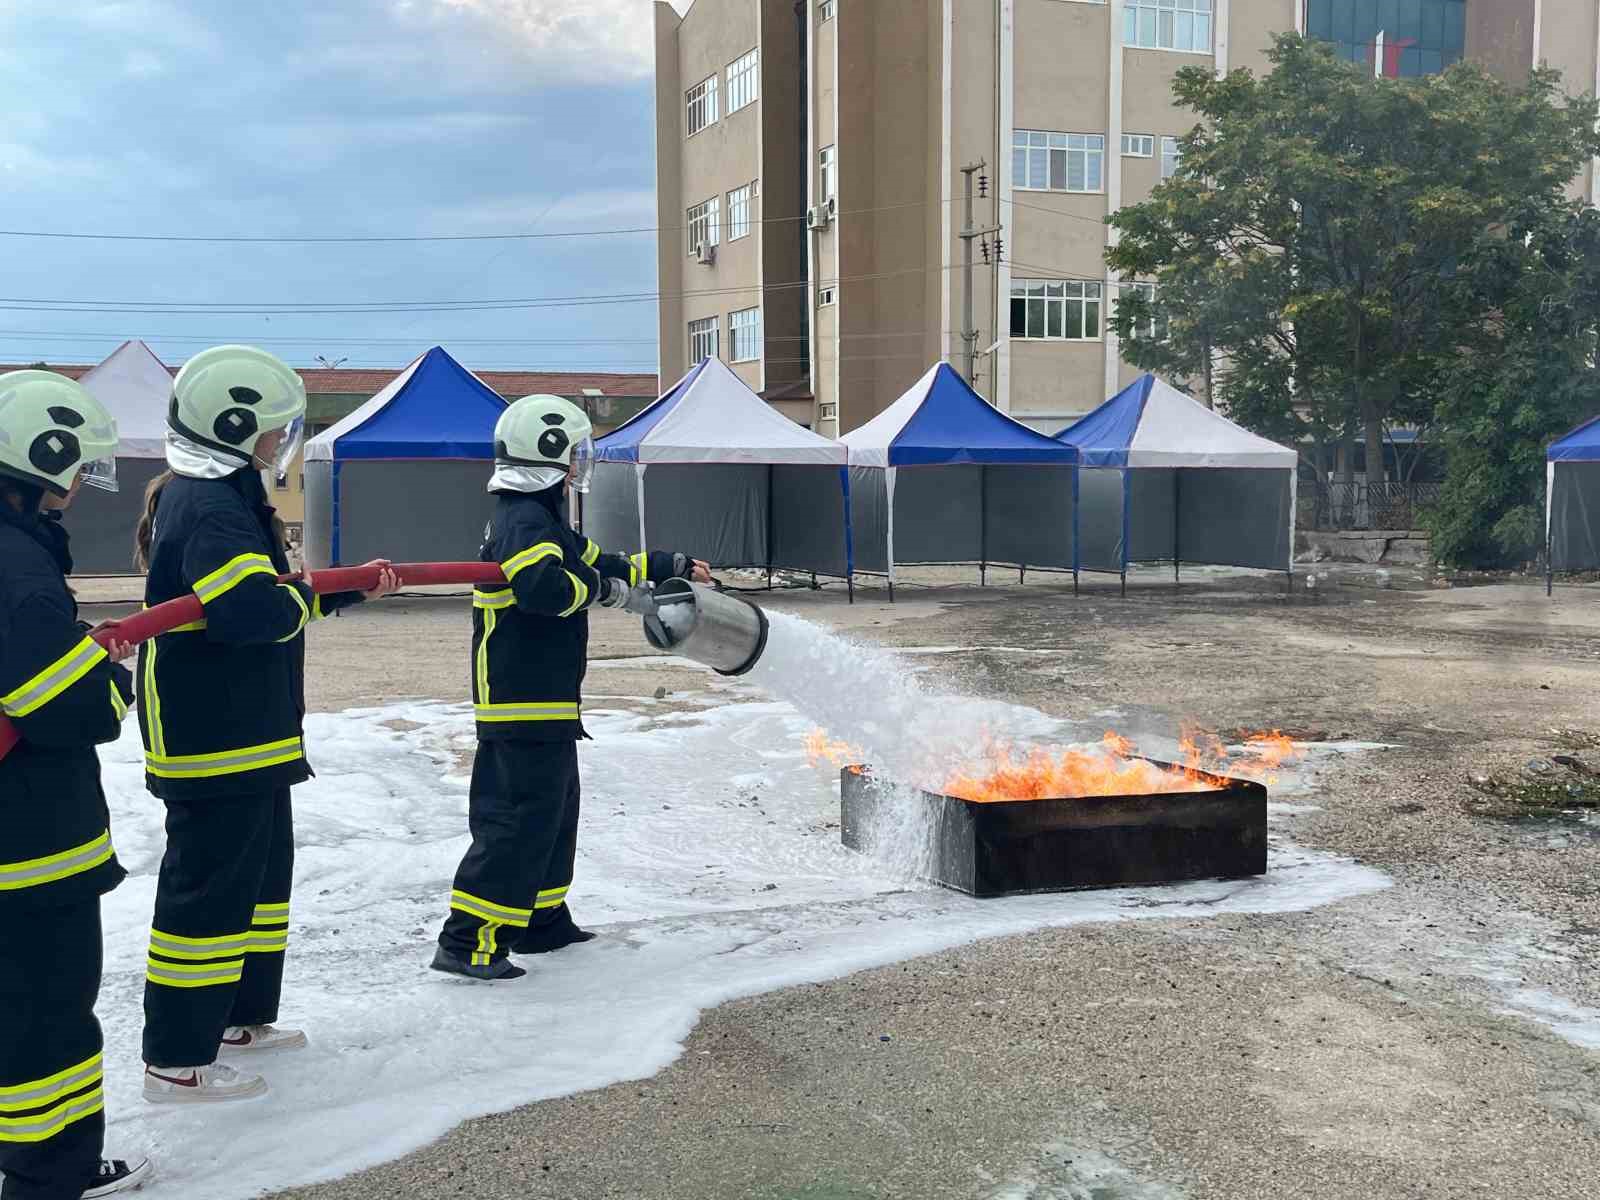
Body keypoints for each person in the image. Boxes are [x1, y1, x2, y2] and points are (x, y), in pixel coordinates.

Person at [132, 346, 398, 1103]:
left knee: (256, 885)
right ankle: (176, 1059)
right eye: (270, 430)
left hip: (248, 733)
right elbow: (254, 610)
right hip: (213, 738)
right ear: (235, 426)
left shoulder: (230, 498)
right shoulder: (209, 508)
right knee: (208, 896)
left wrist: (342, 592)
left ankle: (237, 1019)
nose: (276, 444)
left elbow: (270, 594)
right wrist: (305, 595)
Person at [432, 394, 709, 981]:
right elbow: (543, 589)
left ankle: (540, 920)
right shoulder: (522, 521)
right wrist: (604, 593)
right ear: (550, 455)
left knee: (553, 817)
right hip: (518, 700)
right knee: (515, 822)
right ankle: (467, 942)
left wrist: (669, 564)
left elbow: (595, 560)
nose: (581, 467)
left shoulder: (543, 518)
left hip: (547, 698)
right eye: (575, 454)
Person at [0, 371, 152, 1197]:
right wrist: (107, 680)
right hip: (31, 847)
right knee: (46, 1018)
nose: (74, 484)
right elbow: (56, 703)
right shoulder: (18, 564)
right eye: (72, 466)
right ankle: (47, 1173)